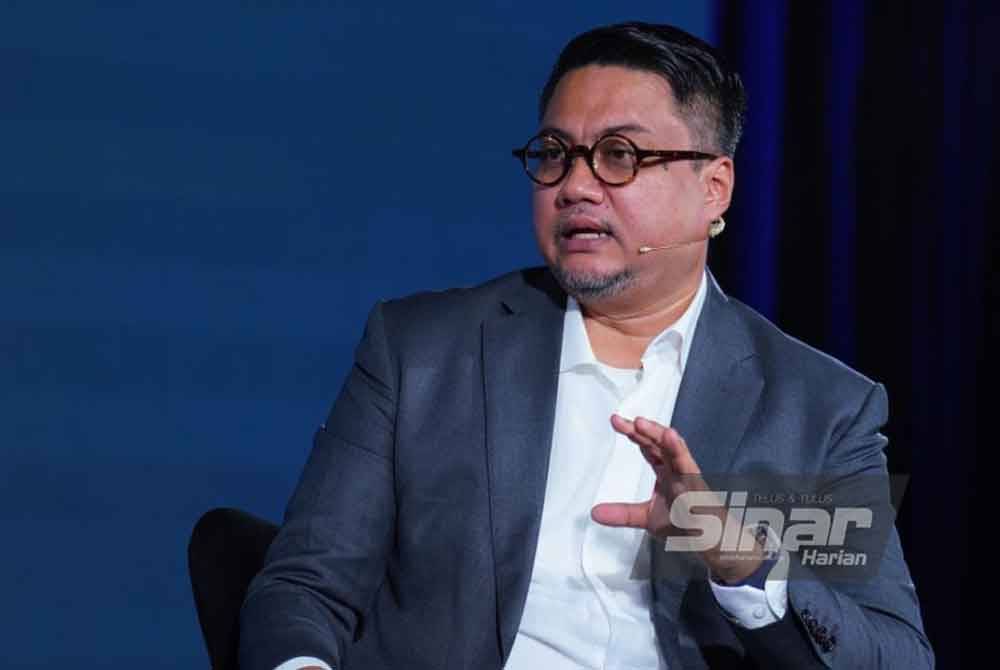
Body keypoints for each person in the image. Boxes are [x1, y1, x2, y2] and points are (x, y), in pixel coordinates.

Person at [239, 22, 933, 670]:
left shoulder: (818, 408)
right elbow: (305, 586)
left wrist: (743, 564)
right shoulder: (423, 351)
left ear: (713, 189)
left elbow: (895, 653)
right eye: (554, 154)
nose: (574, 186)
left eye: (619, 156)